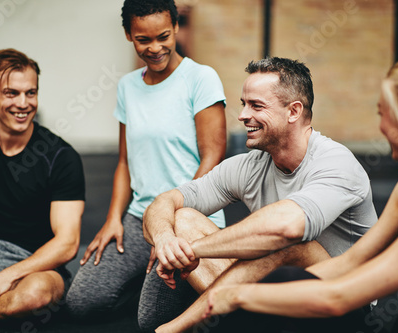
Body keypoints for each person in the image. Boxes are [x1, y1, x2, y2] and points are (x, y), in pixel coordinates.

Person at [202, 54, 398, 333]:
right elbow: (353, 260)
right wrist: (267, 288)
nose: (380, 127)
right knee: (285, 279)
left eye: (381, 114)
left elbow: (339, 298)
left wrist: (238, 295)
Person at [143, 56, 378, 332]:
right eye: (244, 104)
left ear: (294, 111)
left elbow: (286, 229)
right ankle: (234, 323)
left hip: (343, 303)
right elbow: (165, 202)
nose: (242, 115)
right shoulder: (248, 166)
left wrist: (192, 251)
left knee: (289, 243)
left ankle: (174, 329)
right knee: (182, 219)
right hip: (271, 294)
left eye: (256, 105)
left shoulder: (336, 163)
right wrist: (166, 241)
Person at [65, 0, 227, 329]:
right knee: (82, 302)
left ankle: (195, 287)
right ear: (128, 35)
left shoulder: (201, 79)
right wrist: (113, 220)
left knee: (152, 319)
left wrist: (170, 229)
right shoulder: (128, 87)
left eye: (163, 36)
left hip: (188, 219)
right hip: (139, 217)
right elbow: (124, 161)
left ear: (176, 28)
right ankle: (148, 280)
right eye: (143, 39)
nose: (155, 48)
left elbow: (213, 156)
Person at [0, 48, 85, 320]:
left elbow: (67, 243)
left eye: (31, 92)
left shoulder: (61, 157)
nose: (24, 103)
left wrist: (7, 276)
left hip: (36, 267)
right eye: (11, 93)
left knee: (35, 296)